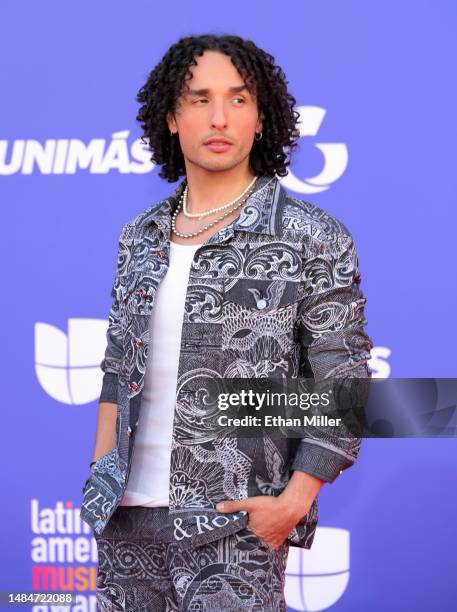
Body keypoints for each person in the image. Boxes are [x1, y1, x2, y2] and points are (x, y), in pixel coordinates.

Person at [80, 33, 373, 611]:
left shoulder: (310, 235)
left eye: (239, 100)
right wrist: (99, 472)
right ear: (171, 117)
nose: (220, 117)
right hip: (125, 521)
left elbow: (346, 383)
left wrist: (291, 503)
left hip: (234, 525)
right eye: (199, 99)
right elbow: (119, 365)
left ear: (263, 118)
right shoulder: (139, 235)